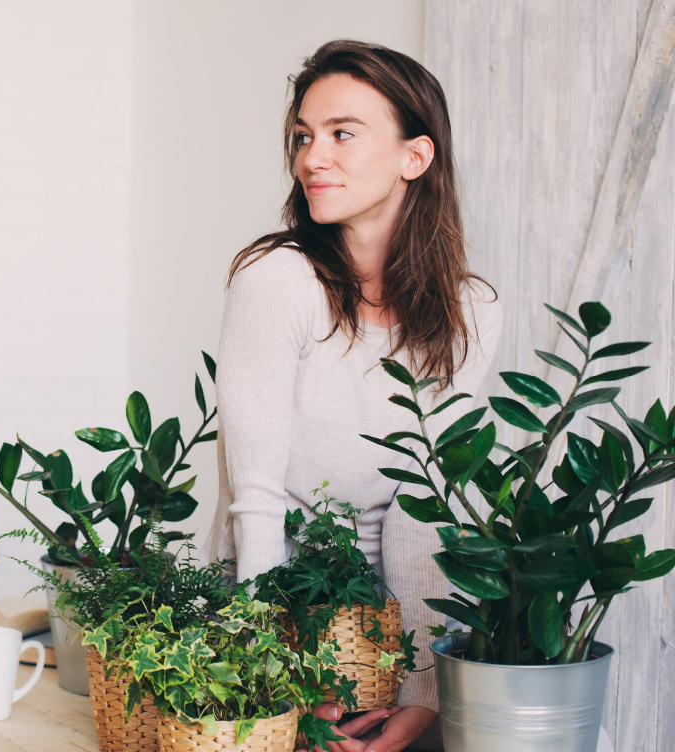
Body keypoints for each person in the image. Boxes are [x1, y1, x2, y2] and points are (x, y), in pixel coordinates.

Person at [203, 40, 502, 752]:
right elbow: (257, 499)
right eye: (304, 136)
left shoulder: (472, 312)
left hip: (389, 637)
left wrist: (423, 692)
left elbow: (425, 509)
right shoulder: (279, 281)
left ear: (415, 157)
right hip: (262, 617)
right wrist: (274, 678)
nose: (312, 157)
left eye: (342, 133)